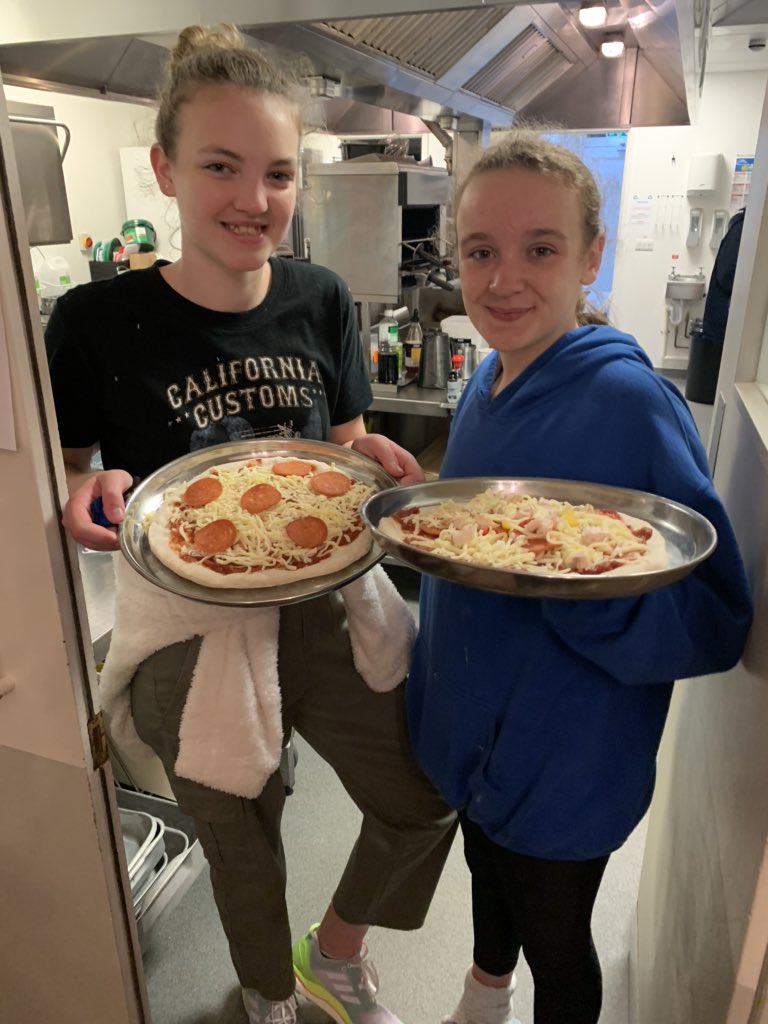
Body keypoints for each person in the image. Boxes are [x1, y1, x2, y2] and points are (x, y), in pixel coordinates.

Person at [47, 24, 457, 1024]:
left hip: (324, 604)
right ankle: (270, 996)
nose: (254, 199)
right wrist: (79, 494)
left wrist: (380, 466)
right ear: (165, 170)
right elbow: (75, 478)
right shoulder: (97, 320)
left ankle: (334, 949)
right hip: (190, 626)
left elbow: (343, 450)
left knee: (425, 796)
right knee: (242, 835)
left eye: (276, 173)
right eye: (221, 167)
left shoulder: (320, 299)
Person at [404, 131, 753, 1024]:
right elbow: (470, 559)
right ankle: (482, 999)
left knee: (558, 942)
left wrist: (569, 586)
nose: (504, 279)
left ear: (592, 257)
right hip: (473, 743)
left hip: (566, 764)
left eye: (542, 250)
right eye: (480, 251)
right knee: (486, 874)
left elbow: (715, 616)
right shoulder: (487, 383)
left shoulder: (630, 405)